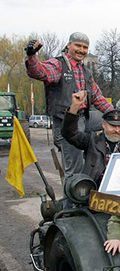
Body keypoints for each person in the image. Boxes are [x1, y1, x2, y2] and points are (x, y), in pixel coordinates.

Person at [25, 32, 114, 177]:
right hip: (66, 122)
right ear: (68, 45)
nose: (81, 50)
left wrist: (117, 117)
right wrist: (31, 55)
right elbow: (39, 72)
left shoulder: (85, 71)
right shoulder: (58, 65)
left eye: (85, 47)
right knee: (74, 170)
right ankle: (71, 198)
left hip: (84, 118)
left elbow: (98, 98)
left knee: (107, 121)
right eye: (78, 45)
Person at [61, 91, 120, 185]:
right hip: (94, 189)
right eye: (113, 126)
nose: (117, 130)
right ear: (103, 125)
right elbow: (69, 134)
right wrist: (74, 107)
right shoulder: (92, 140)